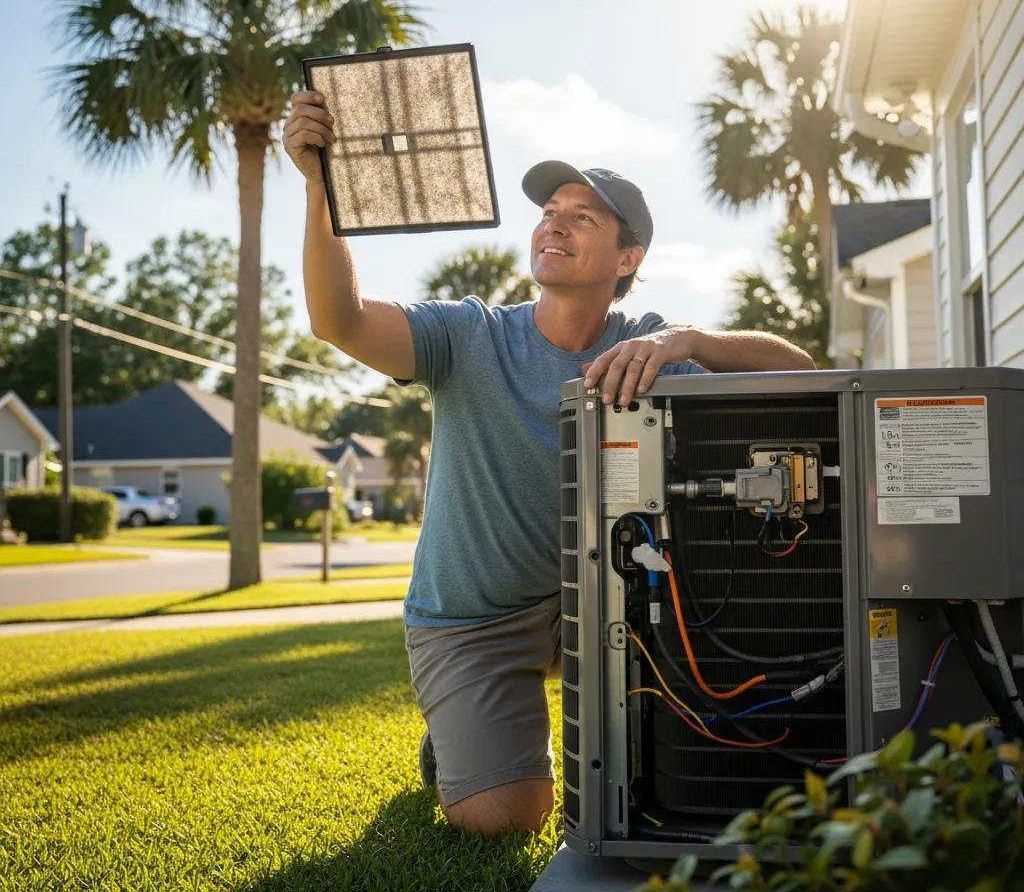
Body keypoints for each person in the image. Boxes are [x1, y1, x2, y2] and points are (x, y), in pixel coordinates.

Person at [284, 89, 815, 839]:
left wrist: (689, 341)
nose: (553, 222)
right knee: (510, 820)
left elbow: (798, 370)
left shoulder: (649, 348)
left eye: (582, 215)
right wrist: (320, 190)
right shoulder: (469, 336)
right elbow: (338, 320)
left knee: (675, 768)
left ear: (627, 258)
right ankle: (460, 743)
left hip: (605, 610)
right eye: (549, 210)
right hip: (473, 621)